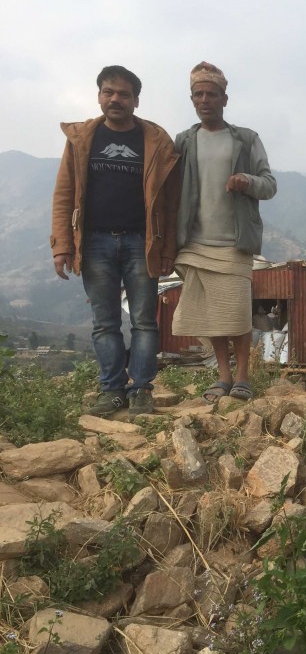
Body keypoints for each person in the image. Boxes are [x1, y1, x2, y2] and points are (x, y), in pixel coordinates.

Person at [51, 65, 179, 417]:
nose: (115, 99)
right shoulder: (81, 139)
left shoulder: (155, 142)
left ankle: (141, 390)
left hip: (142, 243)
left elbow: (170, 204)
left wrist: (168, 249)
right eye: (108, 92)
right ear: (99, 96)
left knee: (144, 321)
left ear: (136, 100)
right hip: (94, 243)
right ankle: (112, 390)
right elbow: (64, 194)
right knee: (104, 322)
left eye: (124, 94)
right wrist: (62, 245)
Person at [172, 62, 277, 402]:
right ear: (192, 99)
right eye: (198, 94)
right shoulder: (184, 141)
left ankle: (243, 377)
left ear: (224, 99)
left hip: (234, 242)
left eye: (212, 94)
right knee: (211, 313)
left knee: (236, 312)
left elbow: (270, 184)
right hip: (194, 242)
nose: (205, 100)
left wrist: (246, 181)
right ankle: (223, 376)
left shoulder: (246, 139)